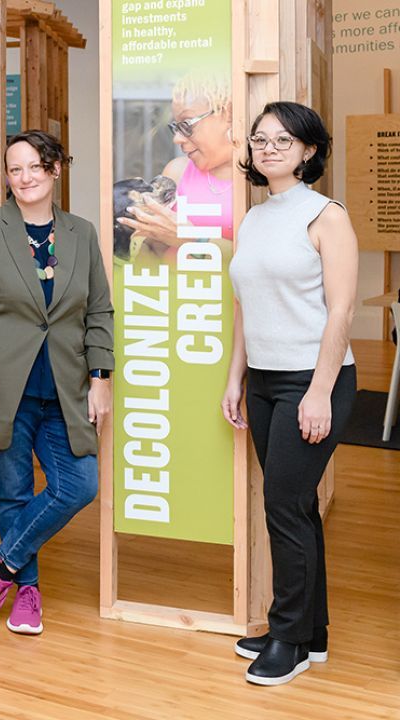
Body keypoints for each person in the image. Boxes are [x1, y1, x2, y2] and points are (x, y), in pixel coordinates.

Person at [0, 130, 113, 635]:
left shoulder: (82, 233)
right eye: (14, 169)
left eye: (34, 168)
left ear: (55, 170)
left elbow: (100, 312)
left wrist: (101, 377)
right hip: (0, 388)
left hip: (65, 389)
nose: (23, 178)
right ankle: (27, 592)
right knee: (13, 491)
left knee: (78, 485)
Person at [224, 101, 357, 686]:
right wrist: (236, 375)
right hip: (265, 380)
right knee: (294, 506)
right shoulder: (254, 217)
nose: (270, 147)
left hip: (314, 380)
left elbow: (342, 311)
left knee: (282, 505)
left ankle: (289, 640)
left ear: (308, 150)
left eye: (284, 139)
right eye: (261, 139)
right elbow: (244, 306)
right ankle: (314, 631)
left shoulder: (327, 215)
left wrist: (320, 391)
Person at [117, 73, 233, 261]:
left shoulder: (256, 181)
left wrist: (190, 239)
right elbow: (148, 253)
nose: (177, 138)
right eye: (176, 127)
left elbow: (259, 262)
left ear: (226, 114)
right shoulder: (176, 171)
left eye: (186, 124)